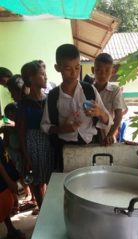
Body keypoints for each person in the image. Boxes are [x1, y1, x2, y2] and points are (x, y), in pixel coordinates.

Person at [40, 43, 113, 172]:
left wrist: (100, 112)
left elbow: (108, 120)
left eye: (77, 67)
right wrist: (62, 129)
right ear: (58, 68)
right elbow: (45, 127)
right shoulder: (53, 96)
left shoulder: (89, 90)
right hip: (65, 150)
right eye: (68, 68)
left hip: (90, 147)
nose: (74, 73)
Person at [18, 60, 54, 214]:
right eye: (42, 74)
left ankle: (50, 208)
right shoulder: (23, 104)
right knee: (37, 180)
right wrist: (25, 155)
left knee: (51, 177)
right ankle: (43, 210)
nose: (46, 77)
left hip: (50, 141)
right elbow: (21, 131)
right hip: (33, 143)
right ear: (31, 78)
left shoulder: (49, 99)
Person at [92, 53, 128, 145]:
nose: (103, 74)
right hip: (90, 136)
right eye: (99, 70)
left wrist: (110, 135)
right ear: (93, 70)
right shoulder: (88, 90)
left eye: (107, 71)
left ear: (113, 72)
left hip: (107, 135)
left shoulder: (115, 91)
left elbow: (118, 116)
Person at [0, 137, 26, 239]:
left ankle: (10, 230)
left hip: (5, 172)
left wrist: (13, 169)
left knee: (7, 202)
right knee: (4, 203)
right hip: (2, 178)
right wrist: (9, 181)